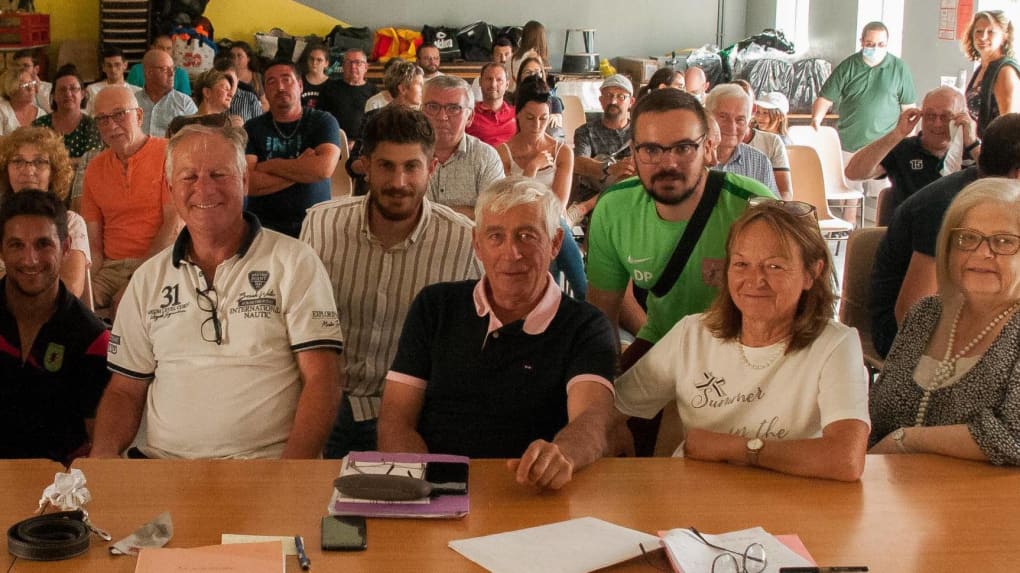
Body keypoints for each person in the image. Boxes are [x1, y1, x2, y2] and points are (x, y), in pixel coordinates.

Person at [90, 124, 344, 460]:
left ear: (244, 181)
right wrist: (102, 460)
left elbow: (323, 380)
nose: (204, 189)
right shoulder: (147, 279)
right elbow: (124, 390)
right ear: (170, 188)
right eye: (189, 177)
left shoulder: (294, 261)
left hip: (265, 468)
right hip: (166, 467)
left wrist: (290, 474)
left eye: (218, 174)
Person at [377, 176, 616, 490]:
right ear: (477, 244)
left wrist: (563, 456)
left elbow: (593, 419)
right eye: (496, 236)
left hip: (533, 494)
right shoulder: (434, 306)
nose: (511, 253)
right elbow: (395, 418)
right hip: (437, 493)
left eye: (527, 236)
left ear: (556, 243)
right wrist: (425, 488)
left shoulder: (585, 325)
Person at [614, 201, 870, 481]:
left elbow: (846, 459)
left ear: (812, 273)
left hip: (795, 505)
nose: (755, 279)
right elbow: (613, 409)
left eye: (774, 266)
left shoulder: (836, 344)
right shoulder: (691, 334)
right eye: (741, 264)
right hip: (698, 502)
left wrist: (736, 449)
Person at [302, 105, 480, 458]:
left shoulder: (463, 240)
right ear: (365, 165)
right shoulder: (321, 225)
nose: (399, 183)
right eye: (386, 166)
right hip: (327, 402)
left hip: (416, 414)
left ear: (431, 168)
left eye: (412, 167)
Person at [586, 89, 773, 372]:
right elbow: (603, 313)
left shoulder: (752, 205)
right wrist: (606, 387)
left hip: (744, 351)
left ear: (708, 148)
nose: (668, 164)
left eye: (683, 148)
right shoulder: (614, 208)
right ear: (633, 153)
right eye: (650, 149)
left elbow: (792, 307)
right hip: (662, 343)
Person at [869, 178, 1020, 466]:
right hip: (891, 493)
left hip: (982, 503)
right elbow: (879, 412)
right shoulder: (926, 313)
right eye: (967, 238)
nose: (982, 253)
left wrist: (907, 440)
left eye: (1003, 241)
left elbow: (1014, 438)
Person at [871, 113, 1020, 358]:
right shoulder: (943, 208)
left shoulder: (1001, 201)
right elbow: (913, 315)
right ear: (1017, 174)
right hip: (907, 339)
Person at [0, 190, 109, 464]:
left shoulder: (92, 338)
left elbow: (100, 443)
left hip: (58, 489)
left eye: (43, 244)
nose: (30, 259)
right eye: (16, 245)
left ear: (66, 247)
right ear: (1, 250)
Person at [82, 86, 181, 312]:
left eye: (119, 114)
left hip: (160, 263)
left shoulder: (168, 154)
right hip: (111, 268)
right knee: (70, 309)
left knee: (127, 308)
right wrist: (81, 287)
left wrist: (135, 281)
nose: (111, 125)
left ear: (138, 115)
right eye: (103, 119)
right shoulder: (95, 169)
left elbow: (174, 225)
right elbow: (94, 247)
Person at [497, 75, 585, 299]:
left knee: (552, 232)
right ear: (518, 115)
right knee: (549, 237)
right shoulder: (503, 152)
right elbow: (511, 202)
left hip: (553, 223)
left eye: (543, 118)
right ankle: (575, 298)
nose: (537, 125)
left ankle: (568, 300)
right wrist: (532, 169)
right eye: (530, 118)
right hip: (518, 223)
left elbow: (558, 203)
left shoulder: (562, 151)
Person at [845, 87, 975, 219]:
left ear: (961, 118)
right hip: (910, 231)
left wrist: (972, 142)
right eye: (930, 116)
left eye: (946, 117)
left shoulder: (972, 152)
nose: (937, 124)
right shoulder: (904, 149)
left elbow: (995, 181)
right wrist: (898, 133)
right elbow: (853, 173)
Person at [244, 60, 341, 238]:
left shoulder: (323, 121)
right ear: (265, 91)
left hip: (314, 224)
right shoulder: (252, 128)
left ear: (300, 85)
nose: (280, 87)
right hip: (263, 227)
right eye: (271, 82)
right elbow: (248, 183)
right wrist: (302, 167)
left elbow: (323, 169)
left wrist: (268, 166)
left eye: (286, 79)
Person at [0, 127, 91, 298]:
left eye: (39, 162)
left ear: (53, 172)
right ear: (7, 170)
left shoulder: (71, 222)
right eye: (18, 161)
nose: (28, 171)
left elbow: (69, 290)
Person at [811, 21, 917, 154]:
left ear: (887, 44)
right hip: (849, 147)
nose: (875, 48)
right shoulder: (848, 67)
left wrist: (910, 144)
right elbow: (825, 99)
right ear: (861, 42)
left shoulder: (899, 69)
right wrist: (816, 119)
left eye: (881, 44)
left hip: (886, 150)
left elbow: (909, 110)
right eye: (870, 44)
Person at [421, 75, 504, 219]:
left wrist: (426, 213)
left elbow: (493, 215)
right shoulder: (404, 154)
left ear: (470, 117)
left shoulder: (486, 157)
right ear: (421, 112)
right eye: (433, 107)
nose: (442, 117)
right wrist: (469, 212)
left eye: (453, 108)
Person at [346, 61, 425, 194]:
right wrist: (378, 166)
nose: (423, 89)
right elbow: (352, 164)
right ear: (402, 89)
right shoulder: (374, 118)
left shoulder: (424, 120)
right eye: (419, 85)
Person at [705, 84, 782, 198]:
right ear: (706, 115)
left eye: (740, 119)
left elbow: (773, 210)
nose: (731, 127)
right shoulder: (690, 159)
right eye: (723, 117)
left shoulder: (760, 163)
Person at [572, 74, 635, 206]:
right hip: (595, 201)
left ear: (631, 102)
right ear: (600, 100)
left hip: (632, 197)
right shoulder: (585, 132)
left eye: (621, 97)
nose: (613, 101)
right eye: (608, 96)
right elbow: (578, 163)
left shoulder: (640, 131)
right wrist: (609, 168)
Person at [962, 10, 1020, 137]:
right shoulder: (982, 68)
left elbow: (1009, 126)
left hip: (998, 150)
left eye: (991, 32)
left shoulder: (1005, 72)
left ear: (1004, 36)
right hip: (978, 147)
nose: (983, 37)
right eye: (979, 31)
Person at [33, 65, 103, 160]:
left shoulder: (92, 125)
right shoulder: (40, 125)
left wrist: (54, 162)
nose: (68, 94)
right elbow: (34, 158)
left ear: (82, 94)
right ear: (54, 96)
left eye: (73, 89)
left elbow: (90, 161)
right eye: (62, 90)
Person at [136, 49, 198, 137]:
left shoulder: (184, 103)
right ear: (149, 73)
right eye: (165, 69)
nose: (172, 74)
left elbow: (196, 138)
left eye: (173, 68)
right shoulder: (133, 102)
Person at [321, 48, 377, 144]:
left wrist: (357, 143)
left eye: (358, 63)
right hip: (333, 142)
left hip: (364, 145)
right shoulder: (329, 87)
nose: (353, 66)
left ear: (366, 67)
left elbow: (376, 125)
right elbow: (321, 119)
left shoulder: (374, 92)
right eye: (348, 62)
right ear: (342, 66)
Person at [466, 62, 515, 147]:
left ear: (507, 85)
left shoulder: (517, 114)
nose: (493, 85)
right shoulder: (468, 114)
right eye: (489, 79)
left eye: (499, 80)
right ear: (480, 82)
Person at [175, 69, 243, 130]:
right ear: (207, 92)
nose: (231, 94)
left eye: (230, 90)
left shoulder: (233, 123)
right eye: (225, 89)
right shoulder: (179, 124)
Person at [126, 35, 192, 96]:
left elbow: (184, 101)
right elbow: (129, 96)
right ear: (153, 48)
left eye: (168, 48)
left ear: (172, 51)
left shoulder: (181, 74)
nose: (164, 51)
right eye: (161, 47)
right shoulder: (137, 70)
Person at [86, 46, 140, 115]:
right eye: (109, 65)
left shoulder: (136, 92)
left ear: (125, 65)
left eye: (117, 65)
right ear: (103, 67)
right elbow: (85, 116)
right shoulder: (92, 90)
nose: (113, 70)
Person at [214, 59, 262, 124]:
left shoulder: (250, 98)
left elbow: (259, 127)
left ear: (237, 80)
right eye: (222, 81)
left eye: (230, 80)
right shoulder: (211, 98)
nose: (227, 85)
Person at [0, 67, 45, 136]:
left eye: (31, 83)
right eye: (25, 85)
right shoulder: (2, 110)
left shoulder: (41, 114)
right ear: (12, 90)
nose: (31, 88)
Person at [471, 37, 513, 103]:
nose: (503, 59)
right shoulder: (480, 81)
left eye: (507, 54)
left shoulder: (518, 79)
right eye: (498, 55)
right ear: (492, 56)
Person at [511, 21, 549, 91]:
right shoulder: (535, 58)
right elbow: (542, 86)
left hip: (510, 96)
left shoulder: (511, 57)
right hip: (525, 96)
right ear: (541, 38)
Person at [229, 41, 267, 110]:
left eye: (239, 55)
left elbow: (265, 104)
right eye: (232, 56)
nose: (235, 59)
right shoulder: (224, 76)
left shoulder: (256, 77)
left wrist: (252, 111)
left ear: (248, 58)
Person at [12, 49, 52, 113]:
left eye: (26, 66)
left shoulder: (49, 88)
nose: (20, 69)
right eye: (17, 65)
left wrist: (38, 91)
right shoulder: (8, 89)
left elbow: (53, 113)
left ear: (36, 69)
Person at [301, 43, 331, 109]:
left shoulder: (333, 85)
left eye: (319, 60)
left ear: (326, 63)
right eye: (311, 59)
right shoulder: (298, 81)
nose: (314, 62)